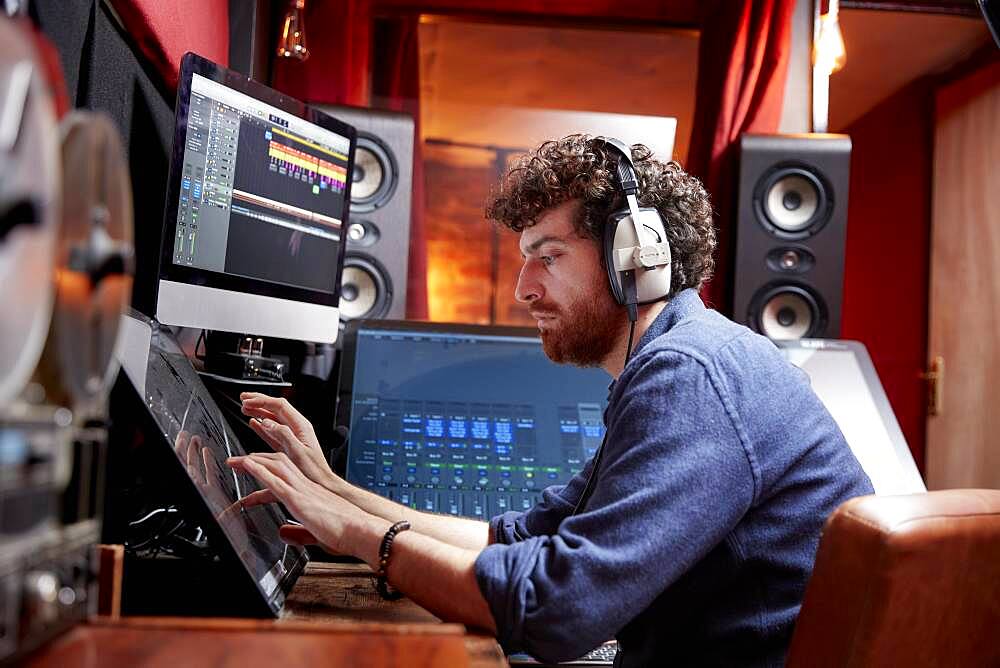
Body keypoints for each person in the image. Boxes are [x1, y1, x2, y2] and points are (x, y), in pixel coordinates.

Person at [228, 135, 874, 667]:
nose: (523, 288)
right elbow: (521, 536)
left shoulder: (691, 374)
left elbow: (559, 609)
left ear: (635, 258)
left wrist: (369, 538)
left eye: (549, 256)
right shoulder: (679, 360)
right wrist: (336, 495)